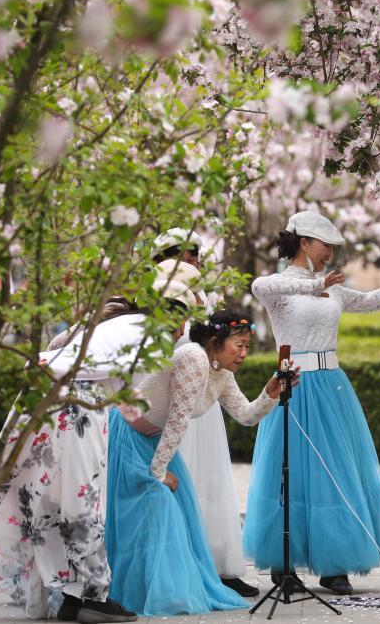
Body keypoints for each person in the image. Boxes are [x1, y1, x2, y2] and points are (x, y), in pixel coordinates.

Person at [0, 262, 202, 622]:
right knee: (84, 499)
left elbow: (59, 347)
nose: (181, 335)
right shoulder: (154, 335)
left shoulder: (116, 322)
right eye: (182, 325)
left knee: (49, 497)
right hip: (77, 403)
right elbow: (127, 396)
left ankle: (70, 594)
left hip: (39, 394)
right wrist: (154, 452)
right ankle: (94, 598)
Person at [243, 210, 380, 596]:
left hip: (331, 386)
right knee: (287, 471)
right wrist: (314, 287)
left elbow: (371, 301)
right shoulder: (280, 286)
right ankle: (283, 562)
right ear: (305, 242)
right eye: (326, 245)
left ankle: (335, 564)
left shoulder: (336, 287)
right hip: (292, 383)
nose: (330, 252)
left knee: (337, 471)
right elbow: (261, 286)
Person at [105, 309, 294, 615]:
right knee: (154, 509)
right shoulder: (193, 357)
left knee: (175, 513)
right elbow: (178, 418)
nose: (245, 353)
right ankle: (135, 591)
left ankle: (165, 588)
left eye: (248, 346)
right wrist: (158, 474)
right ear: (217, 340)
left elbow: (246, 415)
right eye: (240, 345)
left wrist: (270, 392)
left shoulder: (221, 371)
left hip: (155, 440)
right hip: (129, 433)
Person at [152, 229, 258, 598]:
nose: (190, 262)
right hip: (173, 405)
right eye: (180, 256)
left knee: (213, 482)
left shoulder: (207, 299)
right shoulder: (157, 297)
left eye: (194, 256)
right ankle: (179, 561)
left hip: (205, 407)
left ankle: (221, 565)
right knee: (179, 479)